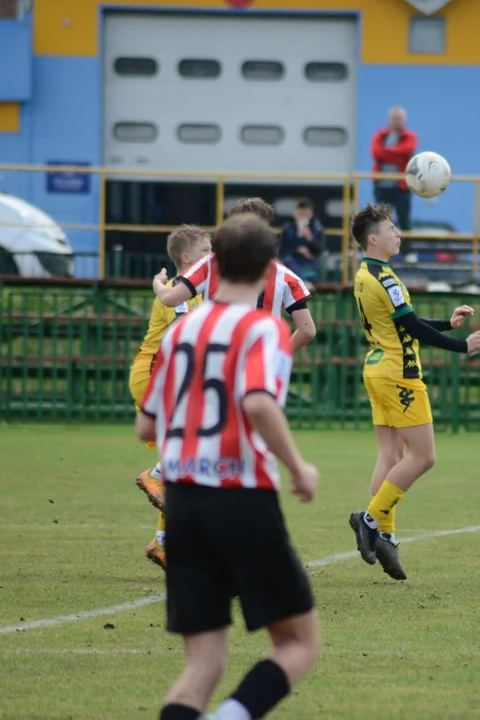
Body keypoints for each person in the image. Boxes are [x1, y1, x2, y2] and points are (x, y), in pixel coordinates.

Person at [137, 212, 320, 720]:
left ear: (212, 265)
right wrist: (299, 467)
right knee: (299, 643)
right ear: (267, 268)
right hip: (242, 495)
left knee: (202, 666)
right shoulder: (262, 328)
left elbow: (145, 427)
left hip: (187, 503)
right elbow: (259, 404)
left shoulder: (182, 330)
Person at [347, 203, 480, 581]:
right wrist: (463, 346)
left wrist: (447, 323)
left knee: (390, 453)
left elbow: (402, 321)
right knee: (423, 457)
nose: (399, 233)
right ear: (373, 238)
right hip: (399, 373)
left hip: (377, 368)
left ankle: (386, 535)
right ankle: (371, 519)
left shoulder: (365, 273)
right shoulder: (387, 278)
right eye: (391, 228)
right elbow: (409, 324)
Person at [128, 224, 212, 570]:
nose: (213, 257)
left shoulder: (198, 292)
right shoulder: (178, 291)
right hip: (153, 376)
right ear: (188, 258)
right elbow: (187, 328)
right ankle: (155, 475)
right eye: (207, 251)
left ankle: (163, 544)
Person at [151, 198, 317, 354]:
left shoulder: (210, 264)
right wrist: (274, 356)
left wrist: (158, 283)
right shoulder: (285, 276)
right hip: (257, 364)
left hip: (216, 360)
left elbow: (170, 299)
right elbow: (307, 330)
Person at [370, 106, 418, 231]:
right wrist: (397, 156)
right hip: (381, 185)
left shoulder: (410, 136)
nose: (397, 120)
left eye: (399, 118)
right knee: (381, 221)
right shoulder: (380, 135)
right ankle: (383, 250)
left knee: (404, 220)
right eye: (394, 118)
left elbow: (407, 151)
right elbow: (376, 152)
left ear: (405, 119)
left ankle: (407, 250)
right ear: (389, 119)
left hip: (402, 186)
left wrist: (386, 153)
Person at [279, 199, 322, 286]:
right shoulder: (287, 229)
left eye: (306, 215)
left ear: (311, 215)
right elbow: (281, 250)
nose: (303, 218)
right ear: (295, 214)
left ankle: (303, 283)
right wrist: (297, 250)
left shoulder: (317, 228)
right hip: (293, 259)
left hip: (309, 261)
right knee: (288, 261)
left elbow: (319, 250)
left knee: (315, 263)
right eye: (301, 215)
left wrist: (310, 239)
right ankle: (302, 283)